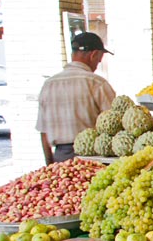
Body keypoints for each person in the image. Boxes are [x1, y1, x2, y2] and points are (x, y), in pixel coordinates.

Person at [36, 31, 116, 164]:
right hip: (93, 159)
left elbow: (44, 132)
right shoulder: (96, 83)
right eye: (99, 59)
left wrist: (50, 165)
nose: (98, 64)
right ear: (94, 55)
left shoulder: (48, 85)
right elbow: (115, 123)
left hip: (60, 158)